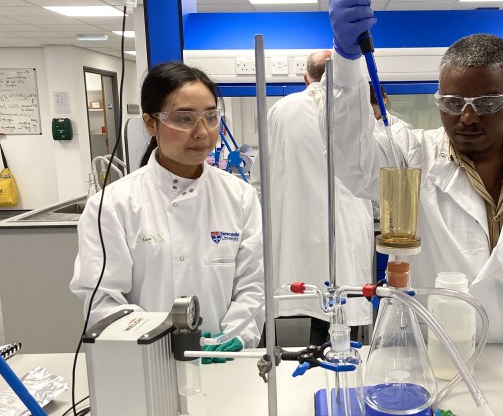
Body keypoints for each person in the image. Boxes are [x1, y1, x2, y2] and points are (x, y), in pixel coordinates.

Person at [324, 0, 503, 343]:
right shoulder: (410, 155)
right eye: (453, 103)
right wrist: (346, 62)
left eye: (486, 103)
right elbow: (349, 152)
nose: (467, 118)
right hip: (436, 351)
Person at [71, 62, 264, 354]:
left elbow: (253, 284)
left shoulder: (240, 196)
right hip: (142, 363)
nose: (202, 132)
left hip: (225, 362)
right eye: (185, 119)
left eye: (210, 117)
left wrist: (238, 335)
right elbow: (102, 300)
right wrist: (156, 346)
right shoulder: (112, 205)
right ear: (150, 124)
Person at [263, 50, 373, 345]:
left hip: (297, 226)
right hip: (348, 230)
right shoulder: (355, 109)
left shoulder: (281, 109)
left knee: (305, 299)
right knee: (344, 313)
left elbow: (269, 171)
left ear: (305, 77)